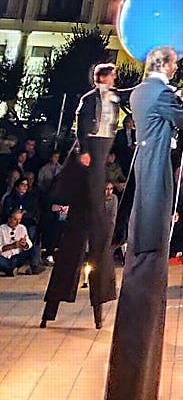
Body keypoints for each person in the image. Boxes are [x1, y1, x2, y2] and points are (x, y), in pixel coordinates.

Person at [103, 45, 183, 400]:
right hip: (156, 182)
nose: (176, 69)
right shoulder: (161, 94)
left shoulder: (140, 93)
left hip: (143, 177)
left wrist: (178, 98)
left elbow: (165, 114)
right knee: (151, 258)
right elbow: (182, 118)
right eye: (174, 65)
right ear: (164, 66)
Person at [41, 63, 125, 329]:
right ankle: (57, 304)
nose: (112, 79)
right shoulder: (89, 99)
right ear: (100, 77)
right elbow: (81, 128)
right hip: (90, 151)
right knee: (86, 228)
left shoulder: (114, 98)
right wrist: (85, 151)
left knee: (95, 230)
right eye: (109, 75)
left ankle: (94, 301)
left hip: (101, 152)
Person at [0, 208, 44, 276]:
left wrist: (25, 244)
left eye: (19, 220)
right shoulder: (1, 229)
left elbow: (29, 243)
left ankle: (35, 266)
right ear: (9, 219)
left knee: (35, 248)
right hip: (4, 258)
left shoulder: (22, 228)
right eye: (15, 219)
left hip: (18, 258)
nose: (18, 222)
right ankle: (10, 270)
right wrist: (13, 246)